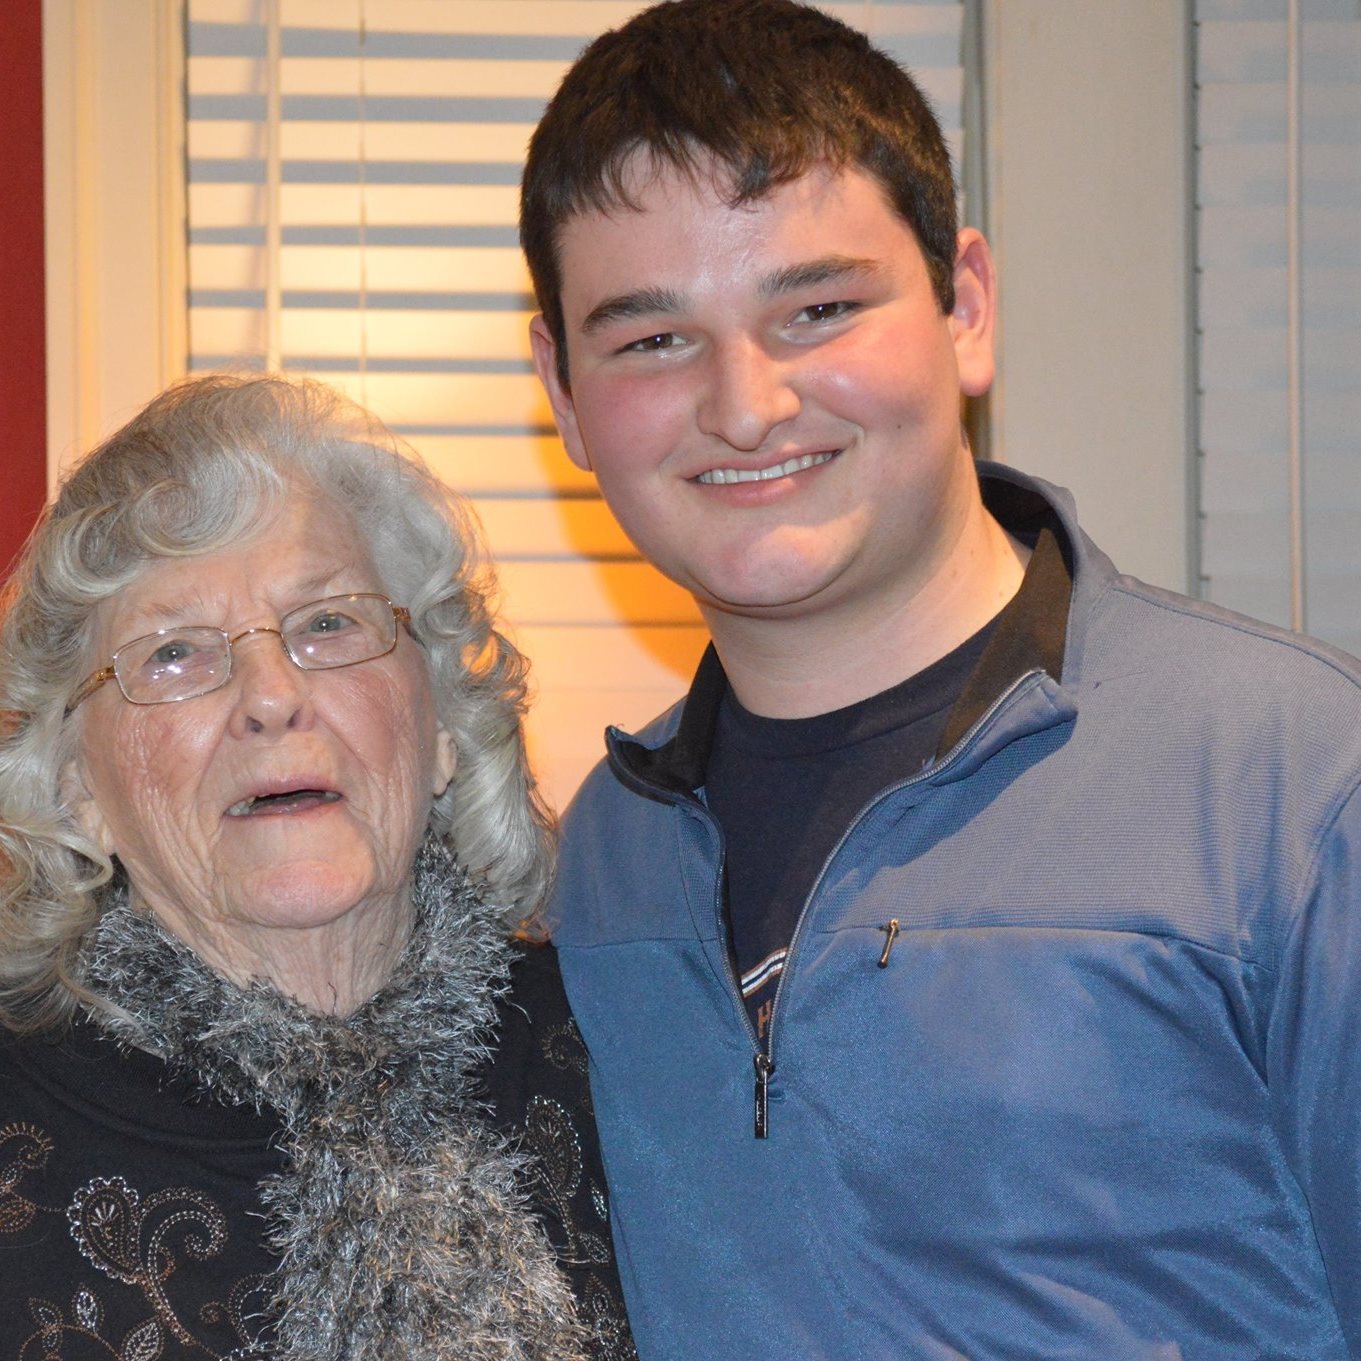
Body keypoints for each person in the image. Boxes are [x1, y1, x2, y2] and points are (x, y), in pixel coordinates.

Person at [520, 0, 1361, 1356]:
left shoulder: (1296, 781)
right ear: (561, 389)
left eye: (818, 309)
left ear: (963, 307)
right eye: (651, 339)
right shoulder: (602, 860)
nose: (745, 405)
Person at [0, 375, 633, 1359]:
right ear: (77, 784)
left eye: (327, 622)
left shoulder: (623, 1048)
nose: (270, 695)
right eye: (174, 651)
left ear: (438, 724)